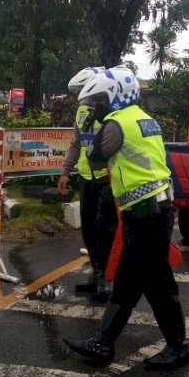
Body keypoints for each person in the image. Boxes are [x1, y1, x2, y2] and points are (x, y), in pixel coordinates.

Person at [63, 65, 189, 369]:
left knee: (158, 283)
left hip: (146, 213)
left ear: (114, 96)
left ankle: (178, 347)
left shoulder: (117, 124)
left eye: (100, 101)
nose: (97, 107)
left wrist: (97, 125)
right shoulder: (145, 120)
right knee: (127, 282)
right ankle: (103, 343)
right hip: (150, 211)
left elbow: (95, 157)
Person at [57, 66, 116, 301]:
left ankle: (105, 279)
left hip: (106, 179)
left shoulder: (112, 112)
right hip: (86, 177)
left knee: (104, 229)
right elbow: (75, 143)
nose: (80, 97)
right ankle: (96, 273)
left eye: (83, 91)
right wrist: (65, 172)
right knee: (89, 230)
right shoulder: (82, 111)